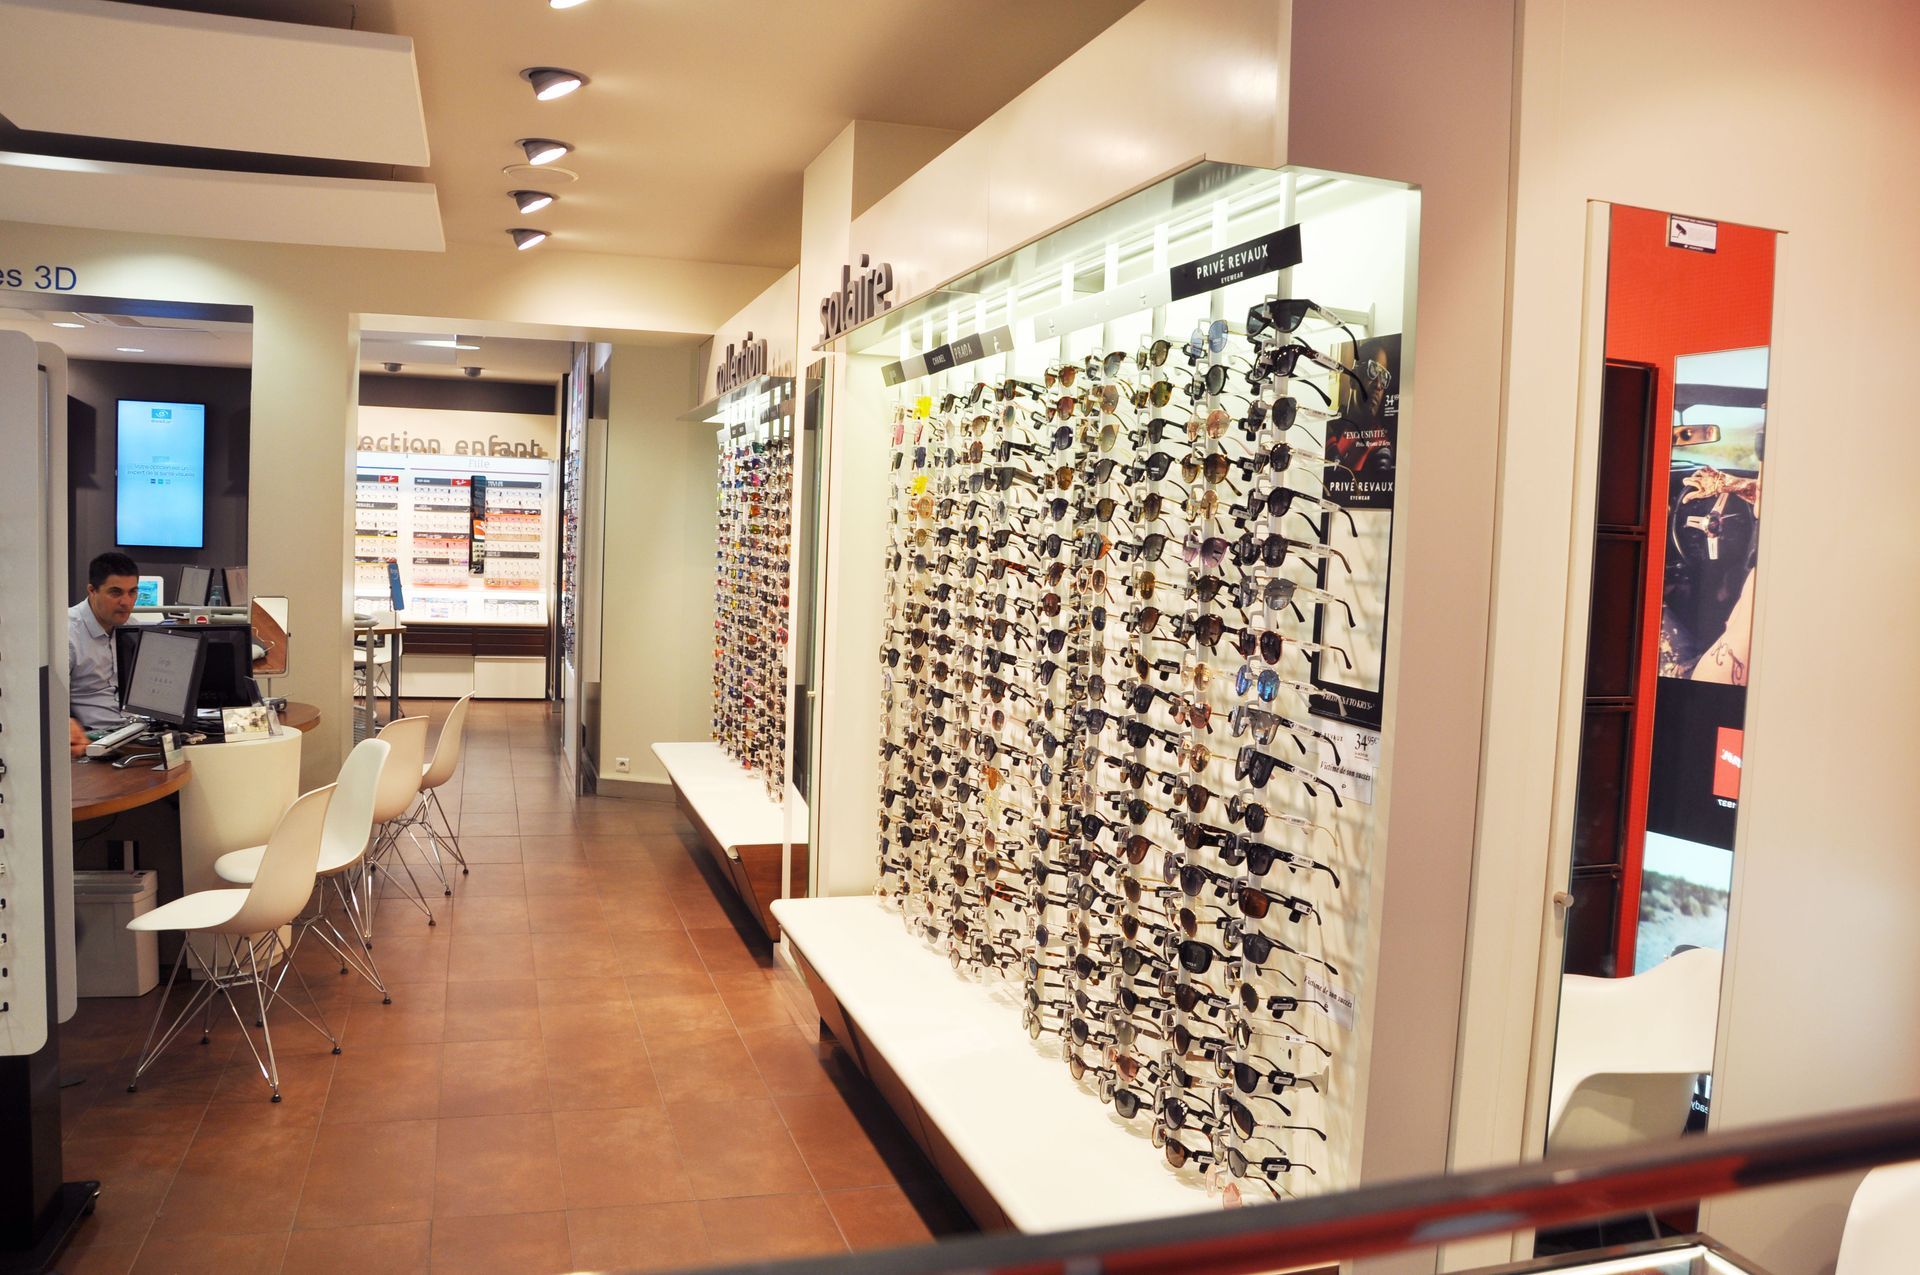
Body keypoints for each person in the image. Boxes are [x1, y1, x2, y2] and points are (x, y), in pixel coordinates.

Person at [69, 551, 140, 754]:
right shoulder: (66, 634)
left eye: (132, 592)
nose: (126, 602)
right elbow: (44, 700)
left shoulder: (132, 629)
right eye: (116, 593)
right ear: (92, 590)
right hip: (93, 742)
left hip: (132, 734)